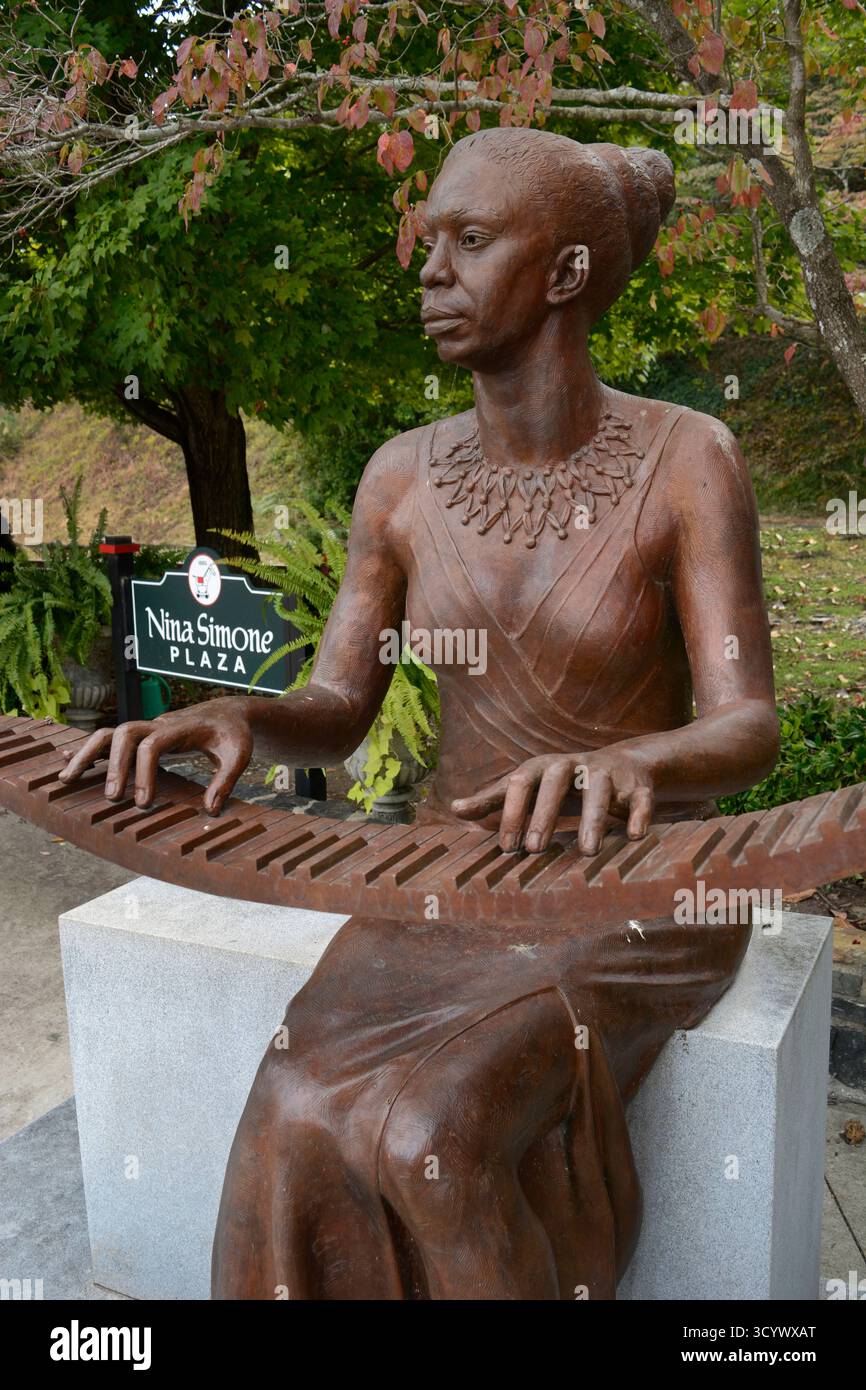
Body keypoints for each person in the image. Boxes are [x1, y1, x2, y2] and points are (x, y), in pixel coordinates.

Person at [60, 129, 779, 1300]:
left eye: (469, 240)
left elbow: (747, 727)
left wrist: (631, 762)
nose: (429, 271)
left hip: (637, 881)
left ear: (563, 276)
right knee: (289, 1102)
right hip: (447, 870)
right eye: (427, 241)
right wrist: (246, 718)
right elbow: (341, 705)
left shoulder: (687, 457)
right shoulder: (400, 474)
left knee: (428, 1131)